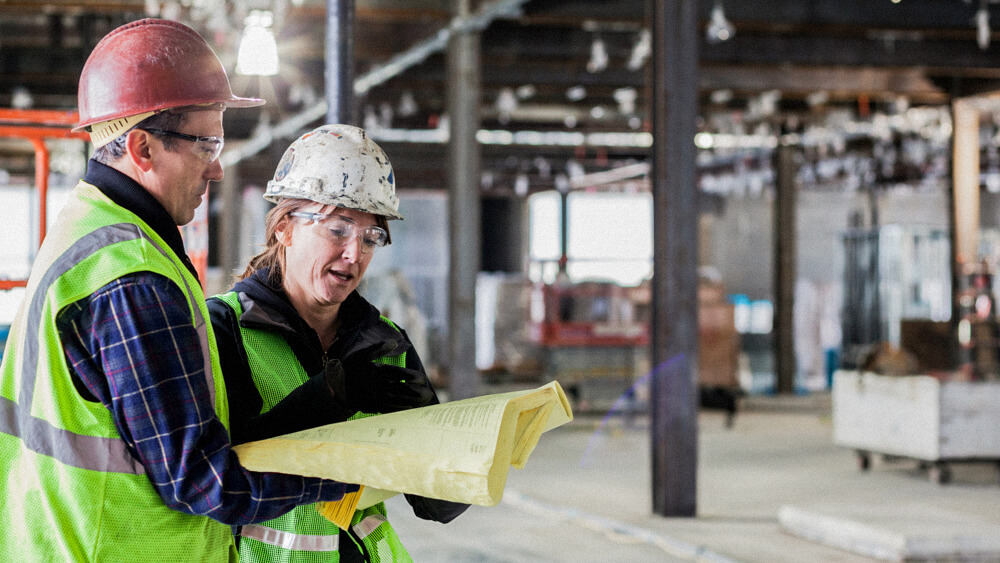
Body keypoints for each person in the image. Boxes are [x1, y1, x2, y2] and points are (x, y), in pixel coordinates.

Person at [0, 19, 356, 562]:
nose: (216, 168)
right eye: (205, 144)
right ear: (142, 146)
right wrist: (341, 474)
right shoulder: (133, 276)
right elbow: (203, 482)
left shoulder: (85, 228)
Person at [208, 124, 469, 562]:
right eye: (338, 230)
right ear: (284, 229)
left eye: (371, 237)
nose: (355, 254)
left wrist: (433, 431)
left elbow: (441, 506)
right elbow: (220, 479)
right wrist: (329, 398)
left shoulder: (383, 340)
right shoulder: (224, 328)